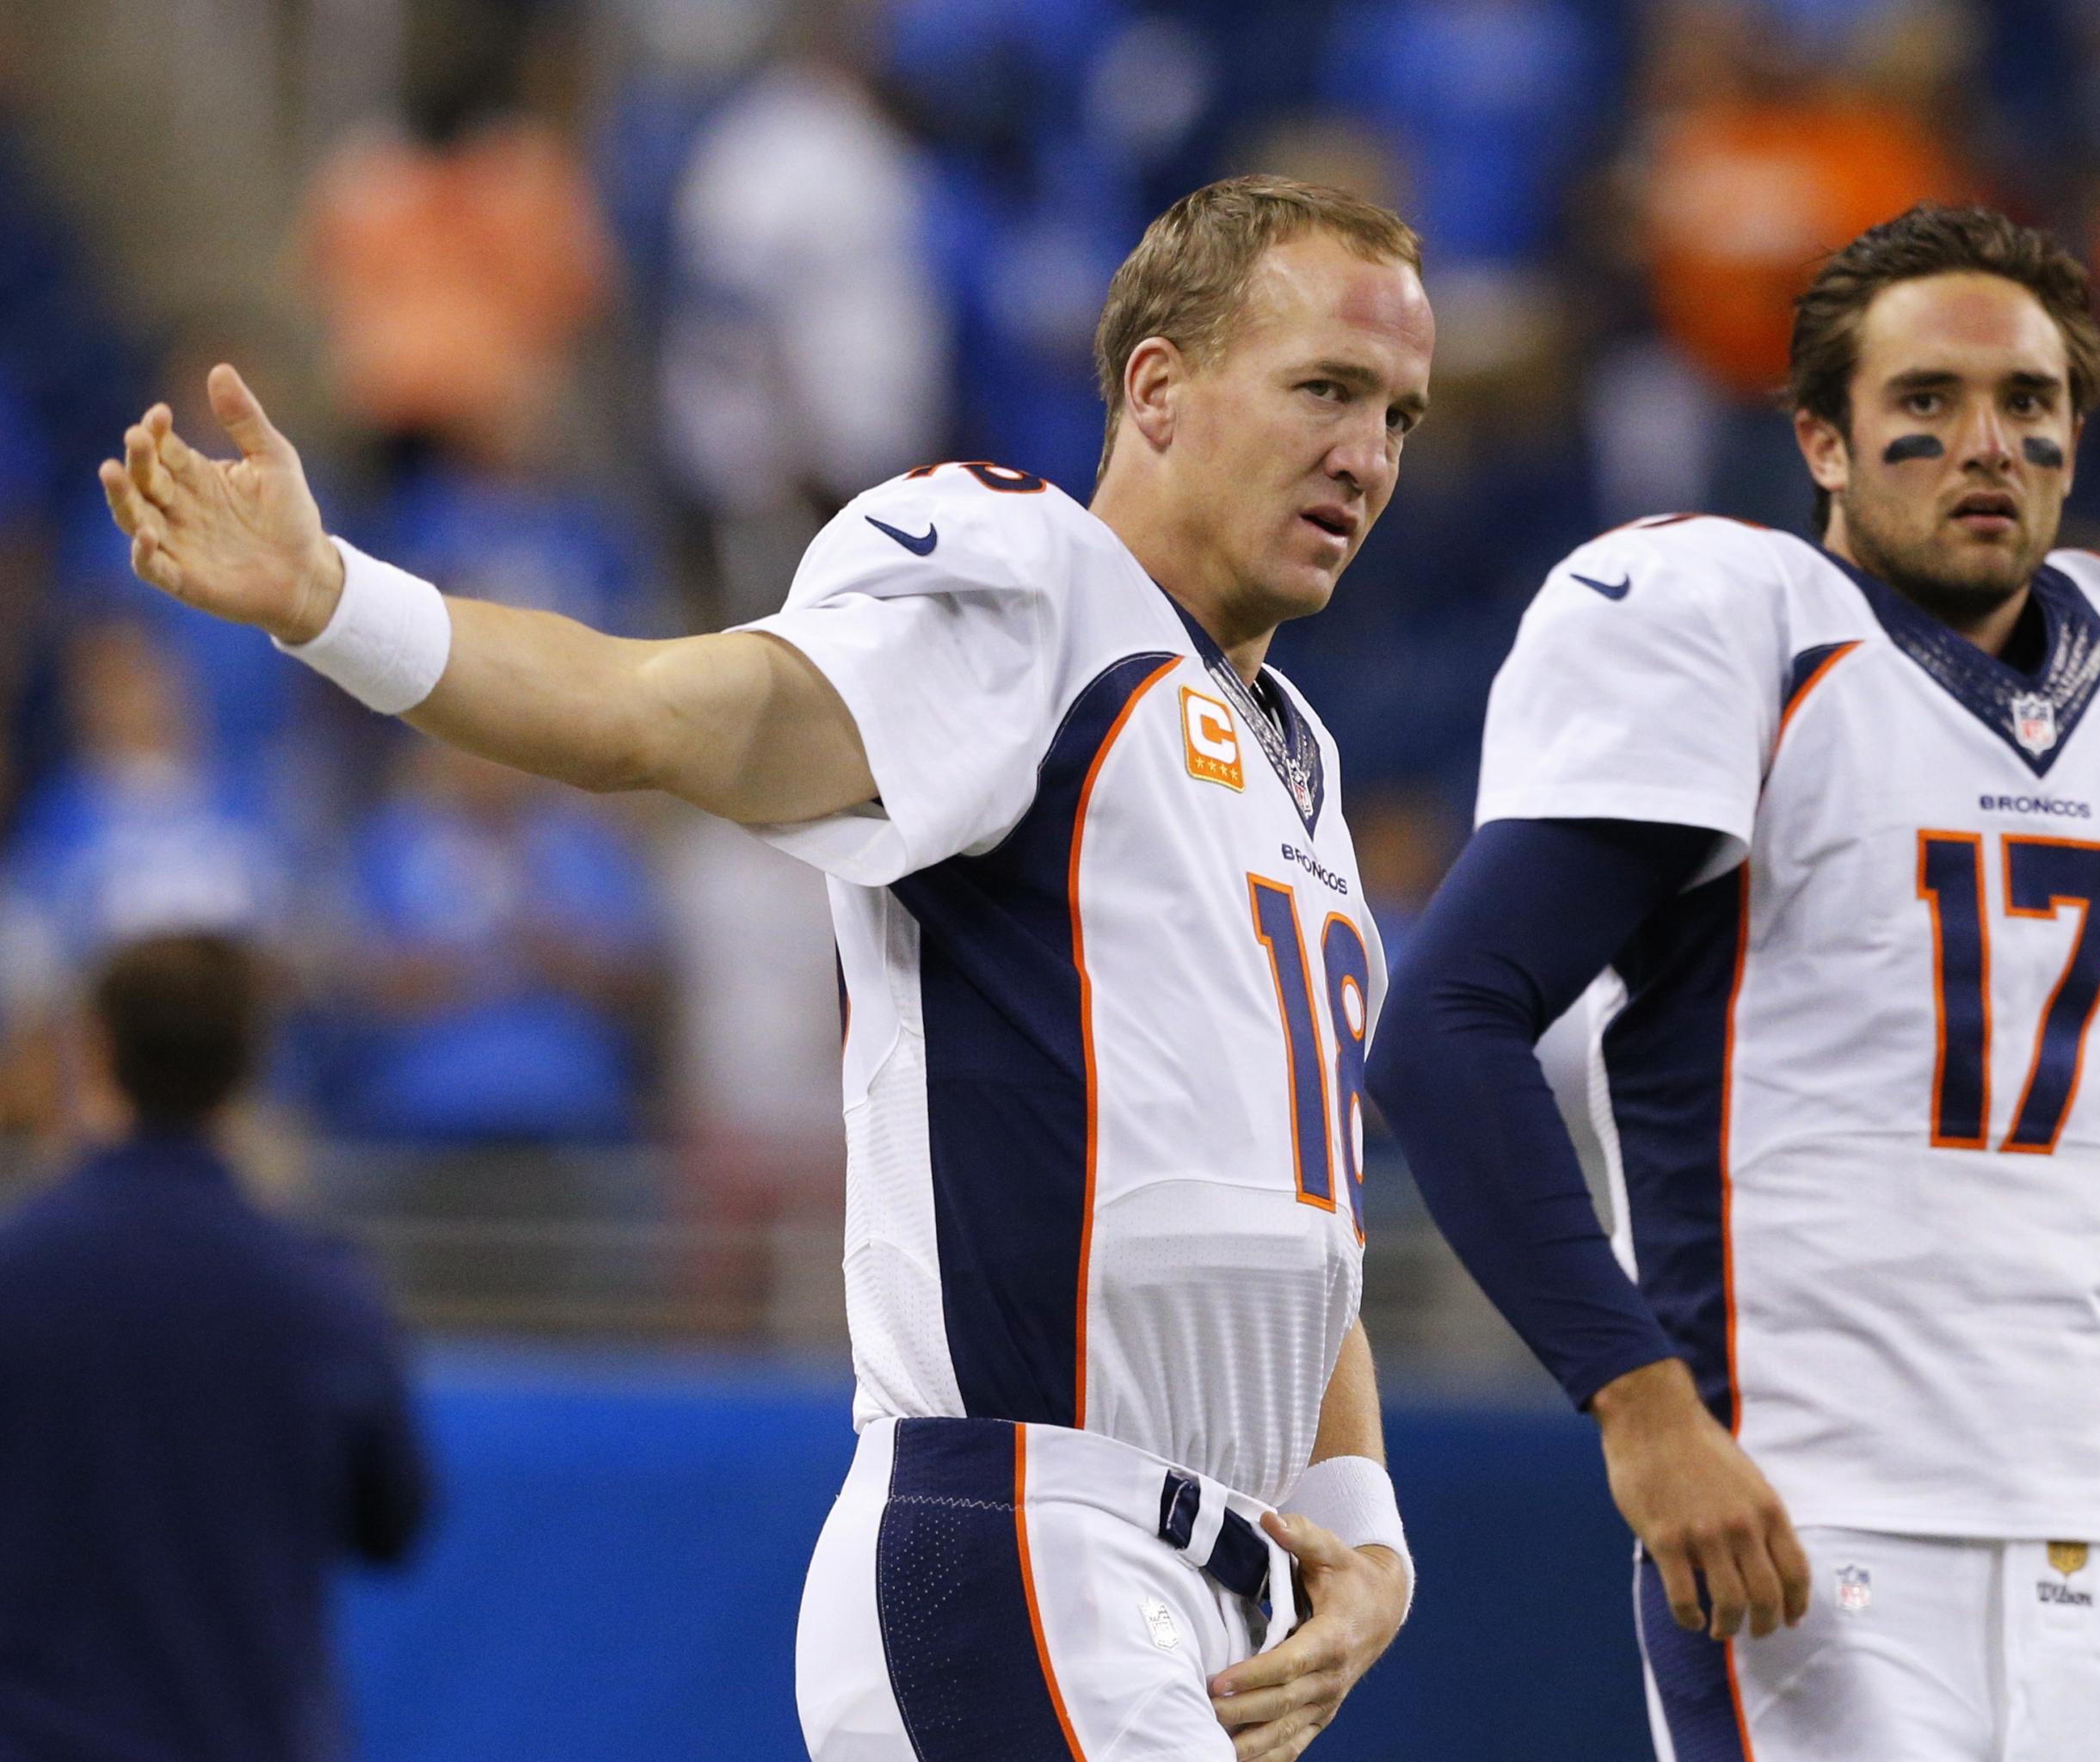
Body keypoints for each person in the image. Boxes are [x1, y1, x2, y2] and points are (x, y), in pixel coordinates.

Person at [99, 174, 1430, 1762]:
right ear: (1156, 388)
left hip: (1200, 1600)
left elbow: (1301, 1216)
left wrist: (1366, 1543)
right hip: (1031, 1539)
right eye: (1325, 390)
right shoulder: (1036, 596)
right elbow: (671, 712)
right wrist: (340, 604)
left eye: (1400, 414)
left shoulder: (1298, 762)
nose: (1367, 453)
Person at [1369, 204, 2100, 1762]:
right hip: (1800, 1511)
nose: (1983, 442)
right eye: (1923, 402)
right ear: (1823, 442)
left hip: (2077, 1528)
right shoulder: (1739, 626)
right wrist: (1642, 1408)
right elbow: (1443, 1028)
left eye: (2027, 405)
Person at [0, 933, 430, 1762]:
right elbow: (393, 1521)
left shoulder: (16, 1274)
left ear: (95, 1049)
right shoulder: (320, 1294)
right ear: (250, 1066)